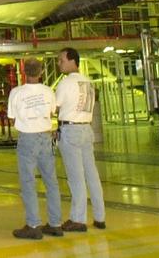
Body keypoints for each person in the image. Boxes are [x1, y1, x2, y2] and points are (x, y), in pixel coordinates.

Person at [7, 57, 62, 240]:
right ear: (41, 72)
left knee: (29, 183)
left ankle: (33, 225)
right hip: (45, 137)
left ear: (24, 71)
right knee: (51, 182)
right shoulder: (48, 91)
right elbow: (53, 111)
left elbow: (12, 118)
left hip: (28, 139)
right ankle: (55, 224)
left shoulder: (16, 92)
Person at [55, 48, 107, 231]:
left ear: (72, 60)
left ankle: (78, 219)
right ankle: (100, 217)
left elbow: (56, 105)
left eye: (61, 60)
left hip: (71, 131)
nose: (59, 63)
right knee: (91, 175)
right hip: (87, 129)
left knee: (75, 177)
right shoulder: (88, 82)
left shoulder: (66, 83)